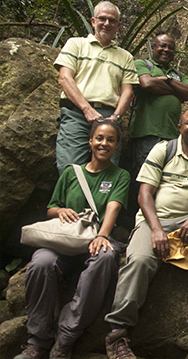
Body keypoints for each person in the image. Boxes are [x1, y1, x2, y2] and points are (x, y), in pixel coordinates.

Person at [104, 108, 188, 358]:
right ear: (179, 126)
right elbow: (144, 194)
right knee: (140, 260)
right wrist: (156, 229)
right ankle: (117, 332)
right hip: (156, 218)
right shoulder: (164, 150)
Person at [15, 120, 130, 359]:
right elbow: (52, 208)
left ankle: (65, 337)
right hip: (64, 240)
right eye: (99, 138)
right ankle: (37, 342)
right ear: (90, 141)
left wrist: (101, 235)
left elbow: (113, 207)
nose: (104, 143)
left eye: (110, 139)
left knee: (106, 256)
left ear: (117, 145)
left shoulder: (120, 175)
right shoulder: (71, 172)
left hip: (93, 237)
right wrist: (59, 211)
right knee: (40, 262)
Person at [54, 1, 139, 175]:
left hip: (109, 117)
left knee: (107, 170)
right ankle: (72, 203)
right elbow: (64, 78)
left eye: (112, 21)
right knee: (70, 168)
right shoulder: (76, 44)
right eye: (102, 19)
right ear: (93, 21)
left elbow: (127, 91)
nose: (107, 24)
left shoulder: (126, 57)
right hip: (76, 114)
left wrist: (116, 117)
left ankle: (100, 204)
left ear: (118, 26)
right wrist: (87, 109)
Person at [128, 32, 188, 177]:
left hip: (171, 136)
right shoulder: (143, 64)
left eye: (171, 48)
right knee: (145, 177)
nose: (166, 50)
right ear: (153, 47)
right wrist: (177, 92)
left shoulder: (177, 74)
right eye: (163, 46)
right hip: (147, 134)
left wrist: (168, 80)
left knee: (167, 178)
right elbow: (146, 84)